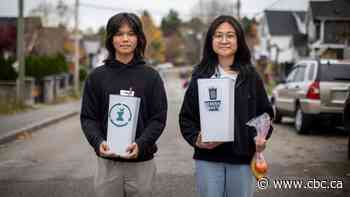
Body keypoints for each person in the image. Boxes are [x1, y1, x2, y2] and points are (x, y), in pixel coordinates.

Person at [179, 15, 274, 197]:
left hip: (242, 160)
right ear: (211, 41)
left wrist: (260, 138)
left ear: (238, 40)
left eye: (230, 35)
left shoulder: (251, 76)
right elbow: (186, 117)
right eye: (218, 35)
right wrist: (196, 139)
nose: (224, 40)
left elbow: (265, 115)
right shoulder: (200, 75)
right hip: (208, 159)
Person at [80, 13, 167, 197]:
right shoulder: (96, 77)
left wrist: (141, 144)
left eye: (131, 33)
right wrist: (98, 142)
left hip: (142, 164)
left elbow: (158, 119)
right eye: (119, 34)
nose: (125, 39)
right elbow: (88, 118)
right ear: (111, 38)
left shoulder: (151, 77)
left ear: (139, 38)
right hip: (108, 164)